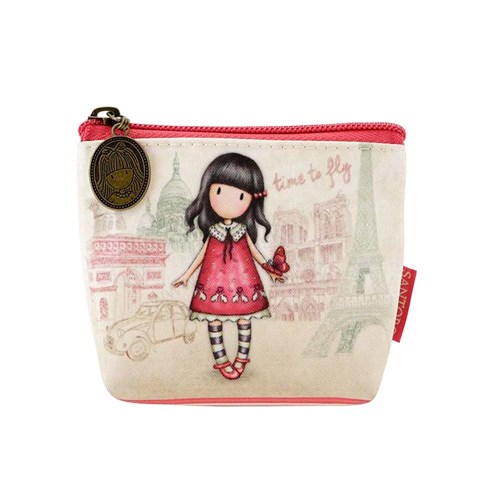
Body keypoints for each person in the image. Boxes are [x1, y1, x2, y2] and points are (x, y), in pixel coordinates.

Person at [172, 153, 285, 379]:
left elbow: (256, 254)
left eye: (241, 196)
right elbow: (201, 256)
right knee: (213, 319)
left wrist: (271, 270)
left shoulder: (242, 231)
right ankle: (221, 360)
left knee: (244, 318)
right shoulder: (213, 231)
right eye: (219, 192)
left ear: (251, 199)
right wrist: (186, 275)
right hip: (215, 285)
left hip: (242, 283)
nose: (229, 202)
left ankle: (242, 358)